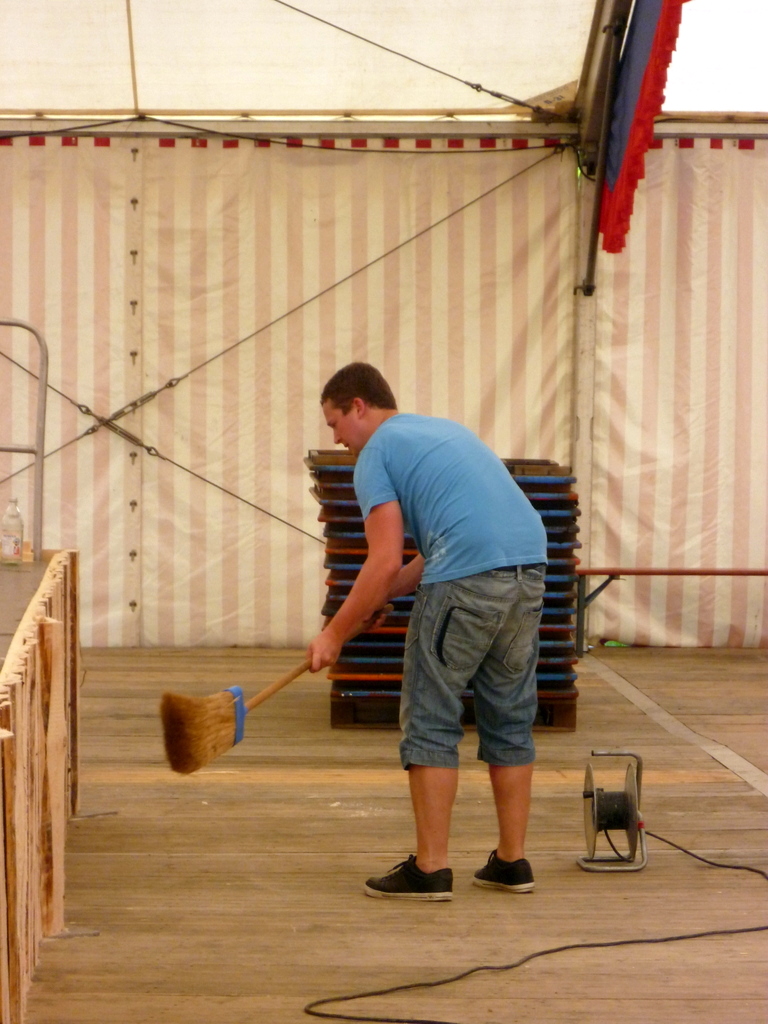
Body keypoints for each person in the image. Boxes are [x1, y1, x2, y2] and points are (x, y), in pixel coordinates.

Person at [307, 362, 547, 901]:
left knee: (430, 717)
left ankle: (431, 868)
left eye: (335, 424)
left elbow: (383, 558)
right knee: (509, 717)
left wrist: (334, 634)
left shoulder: (376, 453)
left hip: (467, 580)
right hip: (529, 570)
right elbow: (433, 551)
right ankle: (512, 863)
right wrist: (378, 600)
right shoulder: (441, 431)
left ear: (358, 407)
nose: (337, 440)